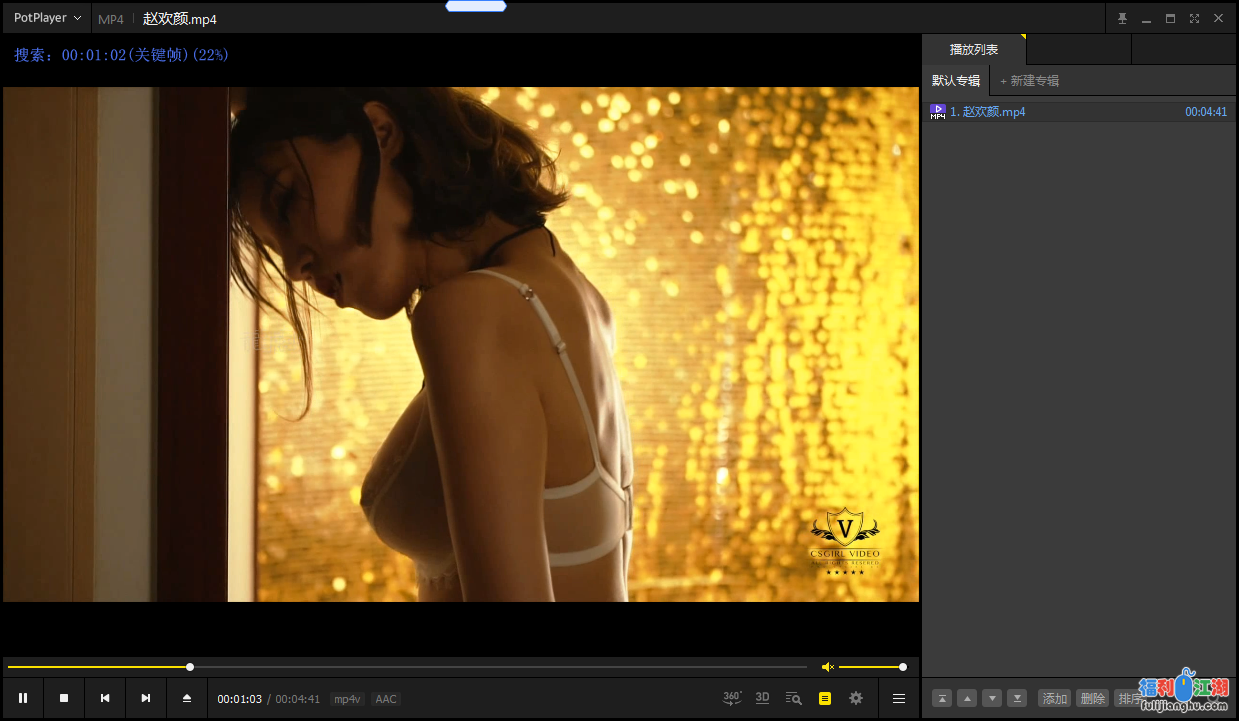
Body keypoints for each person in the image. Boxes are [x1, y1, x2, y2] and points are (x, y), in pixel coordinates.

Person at [228, 88, 634, 601]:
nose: (293, 267)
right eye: (274, 247)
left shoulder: (474, 313)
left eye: (287, 202)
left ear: (380, 133)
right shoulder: (568, 292)